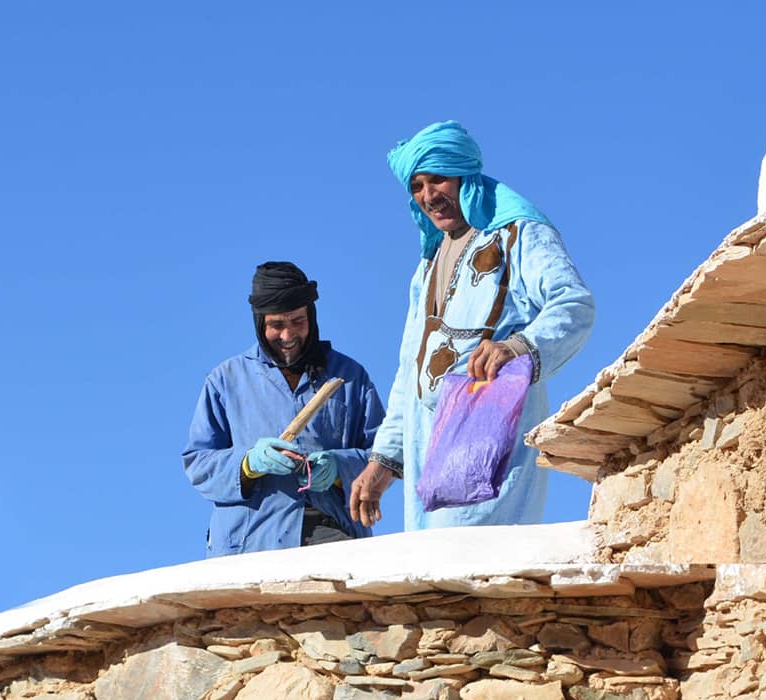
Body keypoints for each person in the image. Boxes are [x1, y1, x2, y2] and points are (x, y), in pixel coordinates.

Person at [348, 120, 595, 531]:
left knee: (475, 569)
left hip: (487, 432)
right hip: (424, 444)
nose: (428, 197)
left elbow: (574, 304)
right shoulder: (426, 267)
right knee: (429, 580)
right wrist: (384, 461)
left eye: (438, 180)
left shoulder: (518, 233)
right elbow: (410, 369)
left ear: (464, 176)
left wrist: (518, 346)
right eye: (417, 186)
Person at [183, 262, 387, 556]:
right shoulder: (225, 380)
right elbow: (198, 463)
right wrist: (247, 464)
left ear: (311, 317)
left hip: (333, 535)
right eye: (276, 325)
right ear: (259, 324)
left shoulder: (351, 377)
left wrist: (339, 468)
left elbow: (385, 456)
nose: (288, 335)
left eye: (298, 322)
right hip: (247, 544)